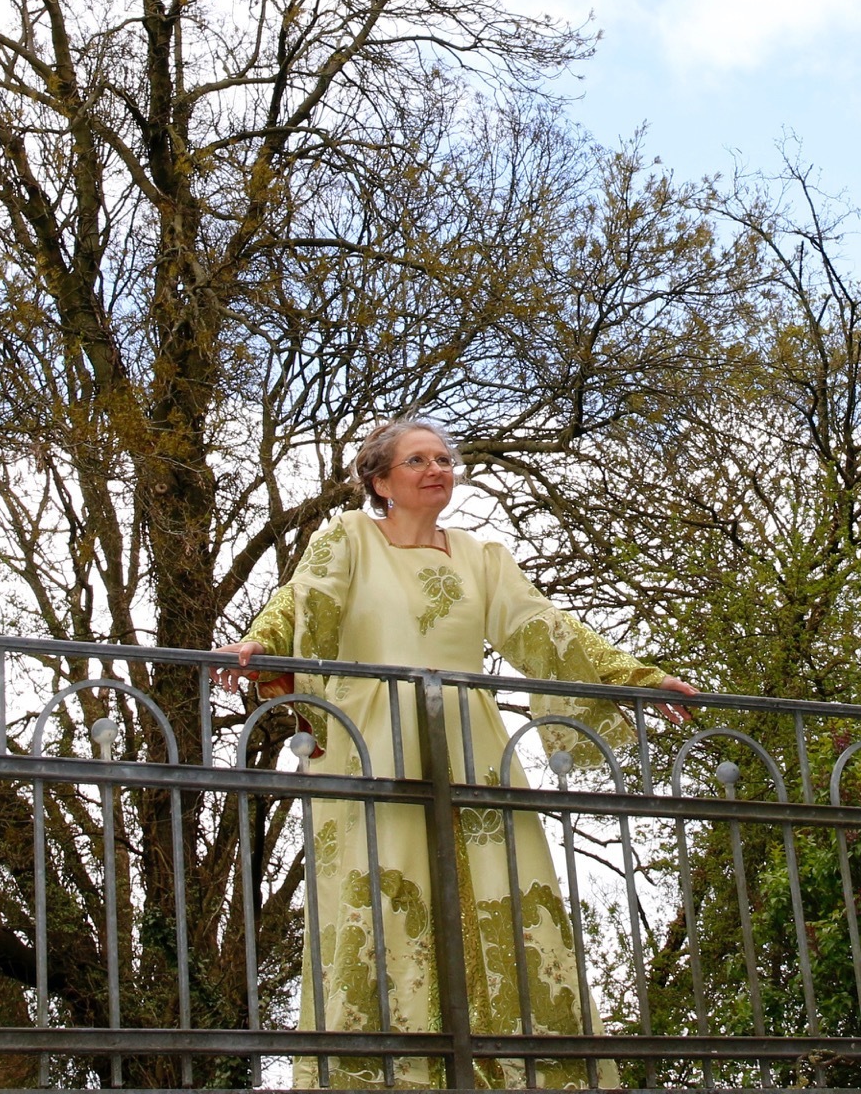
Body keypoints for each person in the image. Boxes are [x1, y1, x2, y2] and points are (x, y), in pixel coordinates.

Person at [215, 419, 698, 1090]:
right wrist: (259, 643)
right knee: (382, 901)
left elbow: (547, 631)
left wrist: (635, 679)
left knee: (506, 890)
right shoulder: (349, 539)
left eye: (445, 457)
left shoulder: (481, 556)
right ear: (381, 481)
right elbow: (301, 605)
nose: (438, 468)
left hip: (472, 747)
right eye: (418, 460)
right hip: (371, 745)